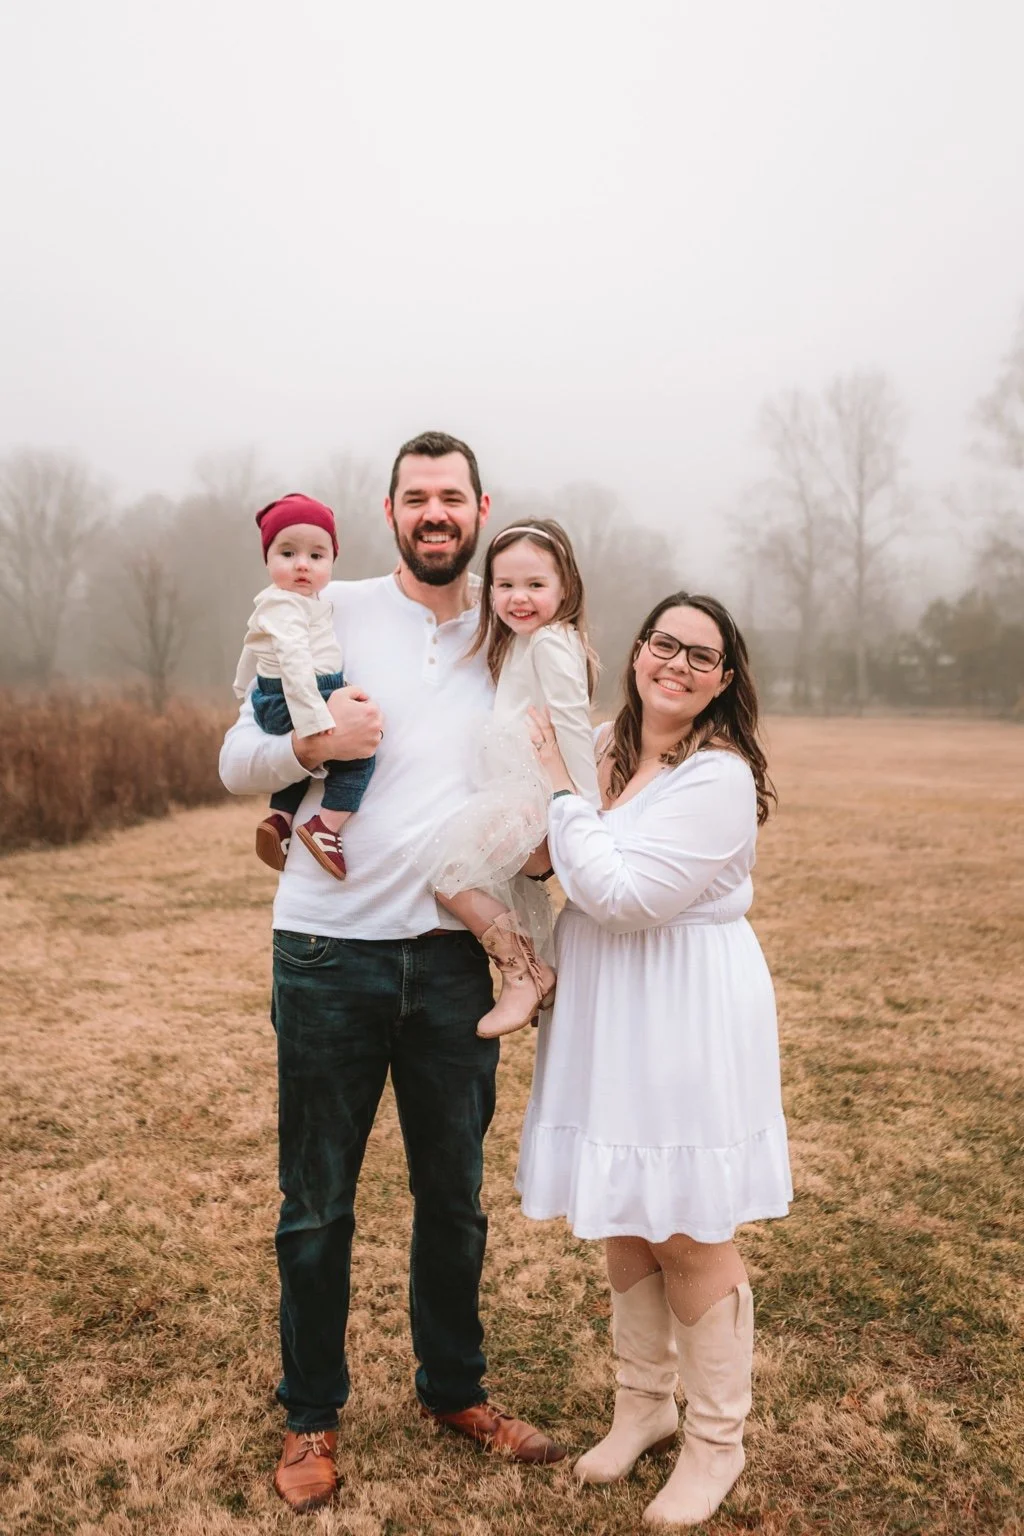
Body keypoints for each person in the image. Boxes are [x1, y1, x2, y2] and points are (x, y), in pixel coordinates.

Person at [219, 432, 566, 1515]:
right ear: (389, 510)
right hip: (326, 952)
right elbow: (238, 759)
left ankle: (454, 1390)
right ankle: (311, 1416)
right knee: (316, 1203)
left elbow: (550, 767)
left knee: (452, 1200)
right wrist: (314, 752)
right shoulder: (326, 605)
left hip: (459, 962)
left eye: (450, 497)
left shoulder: (513, 628)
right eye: (415, 496)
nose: (434, 512)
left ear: (479, 507)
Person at [516, 592, 792, 1528]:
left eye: (701, 655)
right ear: (637, 653)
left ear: (724, 681)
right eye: (663, 643)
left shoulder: (716, 777)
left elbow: (625, 896)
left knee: (686, 1223)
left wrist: (558, 796)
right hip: (605, 1008)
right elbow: (543, 859)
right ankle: (645, 1407)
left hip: (681, 1006)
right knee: (626, 1213)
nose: (676, 663)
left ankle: (718, 1440)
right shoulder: (602, 746)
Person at [419, 518, 600, 1038]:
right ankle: (530, 971)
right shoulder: (525, 637)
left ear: (566, 587)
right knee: (463, 873)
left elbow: (572, 724)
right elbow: (483, 589)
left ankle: (523, 973)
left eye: (536, 585)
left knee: (449, 870)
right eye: (506, 585)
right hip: (512, 784)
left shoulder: (549, 643)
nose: (519, 598)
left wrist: (582, 812)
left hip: (535, 792)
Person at [232, 492, 375, 880]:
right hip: (298, 695)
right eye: (288, 553)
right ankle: (325, 827)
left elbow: (252, 644)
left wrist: (244, 686)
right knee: (361, 749)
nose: (302, 565)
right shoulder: (286, 606)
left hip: (281, 693)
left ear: (331, 560)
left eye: (316, 556)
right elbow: (294, 665)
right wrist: (315, 720)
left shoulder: (293, 602)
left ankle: (279, 819)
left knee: (309, 763)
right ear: (268, 559)